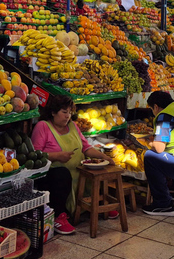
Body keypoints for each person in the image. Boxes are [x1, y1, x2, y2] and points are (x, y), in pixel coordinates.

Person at [31, 95, 114, 234]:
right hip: (52, 177)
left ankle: (97, 206)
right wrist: (57, 156)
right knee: (62, 174)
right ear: (53, 112)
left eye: (70, 113)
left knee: (94, 169)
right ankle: (58, 216)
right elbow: (35, 155)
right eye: (64, 112)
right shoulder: (43, 127)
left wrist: (104, 157)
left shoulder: (73, 126)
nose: (67, 116)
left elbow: (86, 148)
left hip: (77, 173)